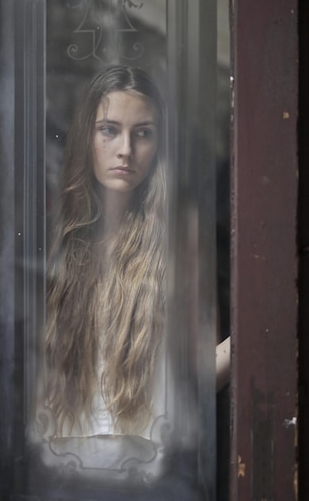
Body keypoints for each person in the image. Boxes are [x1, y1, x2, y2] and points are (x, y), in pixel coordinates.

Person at [38, 65, 229, 482]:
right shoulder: (55, 239)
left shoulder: (181, 236)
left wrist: (260, 327)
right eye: (109, 130)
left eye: (143, 133)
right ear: (86, 138)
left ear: (158, 144)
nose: (126, 149)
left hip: (150, 474)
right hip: (59, 472)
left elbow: (204, 371)